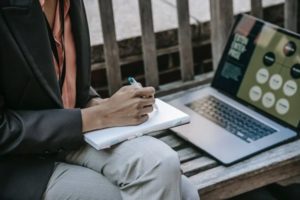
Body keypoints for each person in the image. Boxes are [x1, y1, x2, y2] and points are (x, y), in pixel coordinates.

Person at [0, 0, 200, 199]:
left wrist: (98, 103)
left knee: (165, 167)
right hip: (19, 164)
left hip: (69, 135)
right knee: (180, 193)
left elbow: (56, 81)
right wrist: (98, 115)